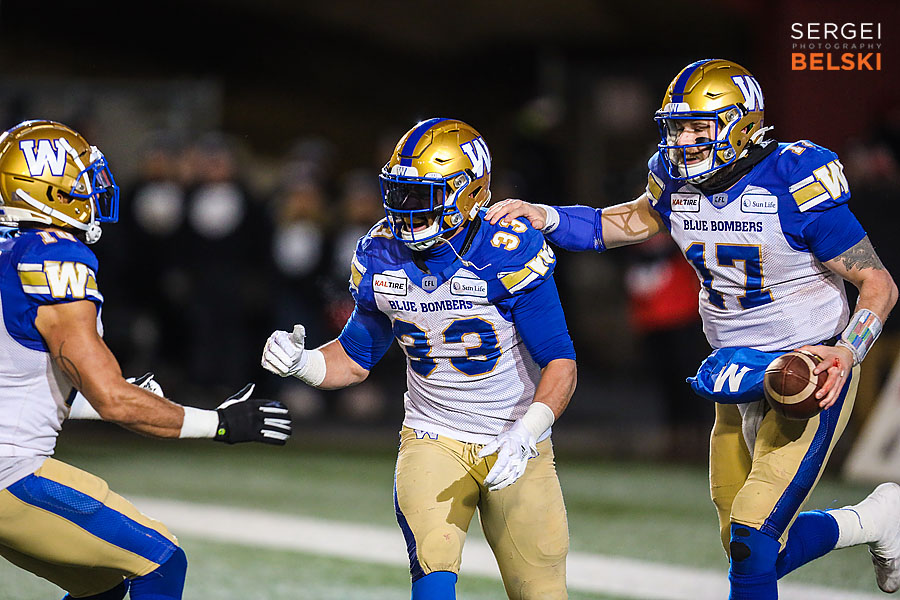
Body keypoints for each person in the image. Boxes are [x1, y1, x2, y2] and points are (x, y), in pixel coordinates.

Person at [485, 59, 900, 600]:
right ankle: (875, 520)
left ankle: (874, 520)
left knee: (754, 533)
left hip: (807, 368)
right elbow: (631, 220)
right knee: (744, 543)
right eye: (676, 127)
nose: (682, 139)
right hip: (735, 368)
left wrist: (846, 352)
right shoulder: (674, 177)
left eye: (696, 128)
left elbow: (878, 283)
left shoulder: (791, 179)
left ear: (741, 124)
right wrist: (547, 215)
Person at [262, 118, 577, 599]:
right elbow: (354, 356)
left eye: (424, 194)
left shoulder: (507, 251)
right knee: (433, 575)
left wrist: (527, 432)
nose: (406, 210)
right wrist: (302, 363)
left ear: (471, 193)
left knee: (540, 592)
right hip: (433, 436)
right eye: (401, 192)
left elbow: (560, 363)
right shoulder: (379, 252)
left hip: (515, 436)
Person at [0, 120, 292, 600]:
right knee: (161, 560)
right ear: (47, 189)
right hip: (14, 475)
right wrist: (219, 423)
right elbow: (112, 398)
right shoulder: (55, 259)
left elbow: (23, 383)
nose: (91, 189)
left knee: (104, 586)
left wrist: (116, 395)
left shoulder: (10, 253)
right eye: (79, 179)